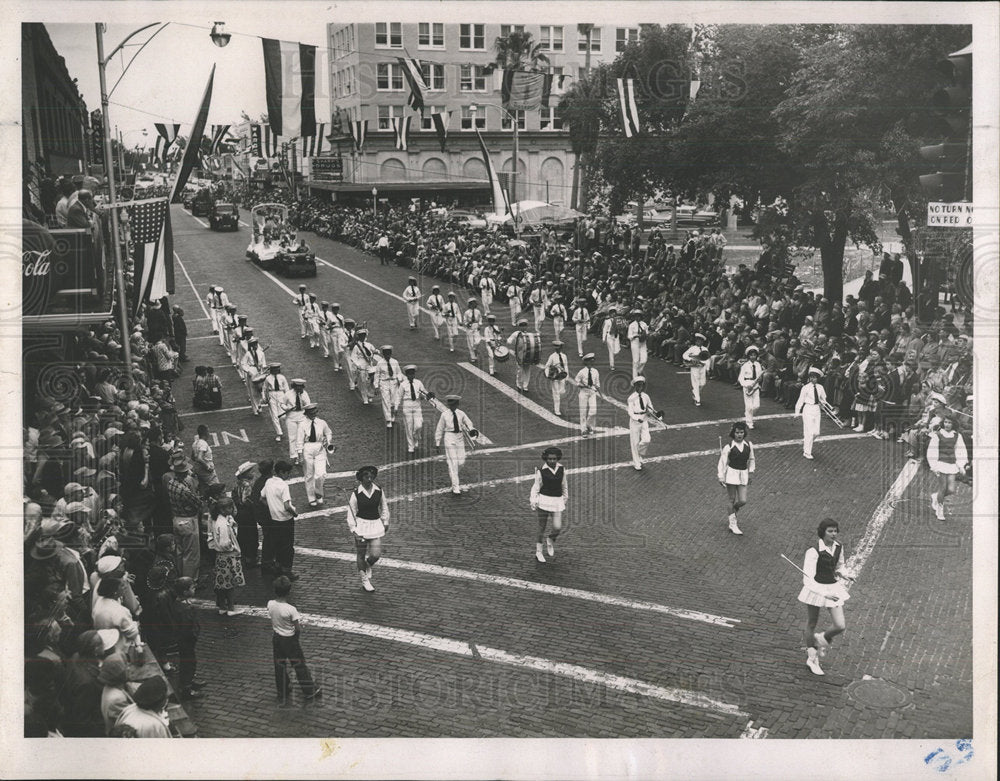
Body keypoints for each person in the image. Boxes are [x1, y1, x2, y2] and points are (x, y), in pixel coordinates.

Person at [798, 519, 854, 676]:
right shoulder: (813, 551)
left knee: (840, 625)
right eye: (830, 531)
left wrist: (845, 574)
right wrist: (823, 593)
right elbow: (808, 579)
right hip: (816, 588)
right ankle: (812, 658)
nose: (834, 534)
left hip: (832, 587)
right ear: (823, 532)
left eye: (835, 531)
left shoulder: (839, 546)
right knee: (812, 622)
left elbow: (839, 566)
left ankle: (820, 639)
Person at [267, 575, 321, 703]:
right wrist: (295, 639)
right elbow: (297, 628)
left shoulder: (270, 604)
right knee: (299, 664)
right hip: (289, 639)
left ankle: (283, 689)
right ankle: (309, 690)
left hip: (277, 637)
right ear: (289, 591)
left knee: (279, 664)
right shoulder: (291, 609)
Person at [346, 466, 390, 592]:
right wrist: (354, 530)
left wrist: (385, 521)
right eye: (366, 476)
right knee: (361, 554)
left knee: (375, 555)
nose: (369, 479)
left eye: (371, 476)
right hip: (361, 527)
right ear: (361, 478)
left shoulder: (379, 490)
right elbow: (351, 512)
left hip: (375, 525)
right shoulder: (356, 494)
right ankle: (364, 579)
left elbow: (384, 506)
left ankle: (367, 565)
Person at [163, 452, 203, 580]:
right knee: (191, 554)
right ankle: (190, 580)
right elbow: (198, 503)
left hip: (176, 519)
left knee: (180, 551)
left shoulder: (171, 483)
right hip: (188, 521)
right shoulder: (184, 490)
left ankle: (181, 577)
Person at [208, 495, 246, 616]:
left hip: (220, 556)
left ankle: (223, 606)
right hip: (228, 555)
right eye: (231, 507)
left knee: (221, 582)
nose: (233, 509)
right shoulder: (223, 523)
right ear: (224, 509)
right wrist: (232, 547)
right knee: (230, 583)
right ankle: (231, 608)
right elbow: (225, 543)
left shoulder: (215, 519)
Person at [529, 446, 568, 563]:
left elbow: (564, 485)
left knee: (557, 527)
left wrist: (565, 498)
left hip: (557, 502)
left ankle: (550, 539)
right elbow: (535, 487)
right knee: (542, 527)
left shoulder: (562, 469)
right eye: (549, 459)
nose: (552, 461)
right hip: (543, 501)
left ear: (557, 458)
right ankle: (539, 551)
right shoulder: (541, 471)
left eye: (554, 459)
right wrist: (533, 501)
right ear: (546, 458)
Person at [926, 415, 969, 521]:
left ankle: (936, 497)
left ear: (953, 424)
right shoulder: (938, 435)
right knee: (943, 487)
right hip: (941, 464)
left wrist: (961, 465)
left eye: (949, 423)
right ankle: (940, 510)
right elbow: (932, 450)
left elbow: (960, 450)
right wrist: (934, 465)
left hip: (952, 465)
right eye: (945, 422)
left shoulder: (957, 436)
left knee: (951, 490)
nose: (947, 424)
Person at [168, 576, 205, 699]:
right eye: (192, 588)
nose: (194, 589)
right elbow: (186, 627)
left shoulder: (180, 603)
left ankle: (189, 681)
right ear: (185, 592)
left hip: (184, 640)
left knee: (188, 662)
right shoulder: (185, 608)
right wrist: (194, 635)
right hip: (186, 641)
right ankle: (186, 688)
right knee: (189, 663)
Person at [717, 422, 756, 535]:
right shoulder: (728, 446)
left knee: (743, 500)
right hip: (731, 474)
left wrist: (751, 472)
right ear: (733, 433)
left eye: (741, 432)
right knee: (731, 499)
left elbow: (752, 459)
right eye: (737, 432)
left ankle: (732, 511)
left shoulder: (749, 444)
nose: (739, 435)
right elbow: (722, 462)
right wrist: (721, 476)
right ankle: (733, 524)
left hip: (743, 474)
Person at [262, 460, 299, 579]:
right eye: (287, 473)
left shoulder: (268, 482)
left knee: (277, 545)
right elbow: (287, 506)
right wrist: (295, 514)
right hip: (285, 520)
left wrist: (273, 507)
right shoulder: (283, 485)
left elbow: (262, 498)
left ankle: (278, 568)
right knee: (287, 547)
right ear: (282, 472)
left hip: (274, 520)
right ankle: (287, 571)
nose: (288, 475)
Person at [435, 395, 476, 495]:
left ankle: (452, 471)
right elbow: (439, 429)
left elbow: (469, 423)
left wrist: (471, 430)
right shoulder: (444, 415)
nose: (452, 406)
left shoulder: (461, 413)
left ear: (457, 404)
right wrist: (437, 442)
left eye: (454, 404)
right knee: (453, 463)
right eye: (451, 405)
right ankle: (455, 487)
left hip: (459, 437)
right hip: (449, 437)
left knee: (461, 462)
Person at [297, 404, 336, 507]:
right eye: (311, 413)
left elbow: (328, 432)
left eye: (315, 412)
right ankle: (311, 498)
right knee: (309, 475)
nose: (314, 415)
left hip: (320, 448)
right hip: (307, 448)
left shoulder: (322, 422)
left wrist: (328, 441)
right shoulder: (302, 425)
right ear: (307, 414)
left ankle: (318, 493)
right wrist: (300, 455)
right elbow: (299, 441)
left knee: (321, 474)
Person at [626, 376, 659, 471]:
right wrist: (637, 418)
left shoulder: (646, 396)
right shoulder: (631, 398)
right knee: (635, 442)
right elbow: (630, 412)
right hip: (635, 421)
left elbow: (650, 406)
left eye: (642, 385)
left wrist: (651, 412)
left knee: (647, 439)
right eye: (638, 385)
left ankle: (639, 452)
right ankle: (636, 463)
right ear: (635, 386)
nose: (640, 387)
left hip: (644, 419)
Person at [795, 367, 828, 460]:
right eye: (811, 377)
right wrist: (797, 412)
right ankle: (807, 452)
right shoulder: (805, 388)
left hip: (816, 409)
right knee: (809, 432)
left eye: (814, 377)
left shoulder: (820, 387)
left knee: (816, 433)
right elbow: (800, 400)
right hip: (808, 409)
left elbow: (823, 399)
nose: (812, 379)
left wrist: (823, 403)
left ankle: (806, 442)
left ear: (818, 378)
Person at [399, 365, 432, 454]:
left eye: (413, 374)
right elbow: (398, 397)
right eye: (409, 374)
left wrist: (428, 395)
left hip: (417, 405)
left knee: (418, 425)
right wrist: (395, 408)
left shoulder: (418, 383)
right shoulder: (403, 385)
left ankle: (416, 436)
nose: (411, 376)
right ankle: (411, 446)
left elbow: (424, 392)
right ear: (407, 375)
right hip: (407, 406)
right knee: (409, 427)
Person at [281, 379, 310, 463]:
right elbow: (282, 403)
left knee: (302, 436)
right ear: (294, 386)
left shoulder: (305, 394)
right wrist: (287, 408)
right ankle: (294, 456)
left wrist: (303, 404)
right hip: (291, 417)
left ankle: (301, 454)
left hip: (302, 416)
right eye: (297, 387)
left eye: (301, 387)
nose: (299, 388)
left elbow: (308, 405)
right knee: (292, 437)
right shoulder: (288, 394)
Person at [373, 346, 402, 428]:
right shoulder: (380, 363)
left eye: (389, 354)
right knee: (386, 401)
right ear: (383, 354)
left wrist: (399, 380)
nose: (387, 356)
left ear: (391, 354)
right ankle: (388, 420)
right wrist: (376, 386)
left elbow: (399, 372)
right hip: (384, 382)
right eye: (385, 354)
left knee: (394, 401)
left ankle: (393, 415)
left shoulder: (395, 362)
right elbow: (377, 375)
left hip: (394, 382)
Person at [574, 353, 600, 435]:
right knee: (583, 412)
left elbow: (597, 383)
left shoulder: (595, 371)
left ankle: (588, 425)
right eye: (590, 361)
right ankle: (583, 430)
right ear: (586, 362)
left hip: (592, 393)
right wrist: (582, 385)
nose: (592, 362)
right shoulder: (581, 372)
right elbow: (577, 381)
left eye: (593, 360)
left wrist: (597, 388)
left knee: (593, 411)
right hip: (583, 393)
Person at [262, 363, 289, 442]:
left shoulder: (282, 377)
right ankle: (279, 433)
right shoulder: (268, 378)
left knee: (282, 416)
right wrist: (264, 397)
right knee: (274, 415)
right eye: (274, 369)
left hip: (281, 395)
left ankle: (283, 429)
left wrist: (288, 398)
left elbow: (287, 388)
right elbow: (264, 388)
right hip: (272, 395)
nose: (275, 370)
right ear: (271, 370)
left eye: (277, 369)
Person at [240, 337, 268, 415]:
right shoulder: (248, 354)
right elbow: (243, 363)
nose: (255, 346)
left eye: (256, 344)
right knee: (253, 391)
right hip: (252, 371)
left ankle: (259, 405)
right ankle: (255, 409)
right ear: (251, 345)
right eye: (254, 344)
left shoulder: (261, 353)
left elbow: (264, 363)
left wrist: (264, 367)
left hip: (259, 371)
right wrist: (248, 370)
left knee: (260, 389)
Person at [738, 345, 763, 429]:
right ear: (748, 356)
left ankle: (748, 414)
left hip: (756, 386)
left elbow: (759, 376)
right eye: (751, 355)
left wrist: (760, 380)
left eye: (754, 355)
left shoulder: (758, 364)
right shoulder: (745, 365)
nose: (753, 357)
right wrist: (746, 385)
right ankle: (749, 422)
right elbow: (740, 378)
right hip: (747, 385)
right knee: (749, 406)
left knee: (756, 406)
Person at [506, 317, 535, 393]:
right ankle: (518, 384)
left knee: (527, 370)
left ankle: (525, 386)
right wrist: (511, 344)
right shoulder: (516, 333)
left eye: (525, 325)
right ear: (519, 326)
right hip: (519, 354)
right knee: (520, 370)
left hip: (528, 354)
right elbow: (509, 341)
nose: (523, 327)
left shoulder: (529, 334)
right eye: (522, 325)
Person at [543, 340, 570, 417]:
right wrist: (548, 375)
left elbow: (566, 366)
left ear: (561, 347)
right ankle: (557, 410)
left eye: (558, 347)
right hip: (555, 377)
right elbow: (547, 366)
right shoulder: (552, 356)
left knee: (562, 391)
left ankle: (557, 407)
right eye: (555, 347)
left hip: (562, 376)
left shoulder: (564, 356)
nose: (557, 348)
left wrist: (567, 377)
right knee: (556, 393)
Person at [682, 333, 710, 406]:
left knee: (702, 383)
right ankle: (698, 400)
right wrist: (690, 359)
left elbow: (708, 359)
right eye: (697, 340)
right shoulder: (692, 348)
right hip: (695, 367)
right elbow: (684, 355)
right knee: (696, 383)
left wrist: (708, 369)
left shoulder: (705, 349)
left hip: (702, 367)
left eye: (700, 341)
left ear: (702, 341)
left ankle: (695, 392)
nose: (698, 342)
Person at [350, 329, 377, 404]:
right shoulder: (356, 347)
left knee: (371, 381)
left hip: (369, 365)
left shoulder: (369, 344)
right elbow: (353, 357)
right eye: (361, 336)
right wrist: (358, 365)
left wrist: (376, 351)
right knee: (363, 382)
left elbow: (374, 350)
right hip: (362, 366)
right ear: (359, 337)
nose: (363, 337)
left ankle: (370, 395)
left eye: (364, 336)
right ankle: (365, 398)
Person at [190, 425, 219, 493]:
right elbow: (199, 458)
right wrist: (208, 467)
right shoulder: (203, 444)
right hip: (207, 472)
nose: (209, 433)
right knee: (217, 488)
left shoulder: (195, 443)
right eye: (208, 432)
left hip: (198, 471)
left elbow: (193, 457)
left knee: (204, 490)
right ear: (205, 433)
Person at [626, 309, 650, 379]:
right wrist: (635, 336)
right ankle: (635, 378)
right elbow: (629, 336)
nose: (637, 317)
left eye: (639, 316)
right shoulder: (632, 325)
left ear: (641, 316)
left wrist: (644, 335)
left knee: (644, 360)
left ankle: (639, 370)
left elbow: (647, 333)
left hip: (643, 344)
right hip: (635, 343)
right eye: (636, 316)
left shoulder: (644, 324)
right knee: (635, 361)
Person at [601, 306, 622, 371]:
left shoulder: (618, 320)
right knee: (611, 351)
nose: (613, 314)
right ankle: (612, 365)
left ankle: (612, 362)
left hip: (615, 336)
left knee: (616, 351)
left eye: (614, 312)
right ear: (609, 314)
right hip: (609, 336)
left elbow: (620, 328)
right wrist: (603, 338)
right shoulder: (607, 321)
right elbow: (604, 330)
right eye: (612, 313)